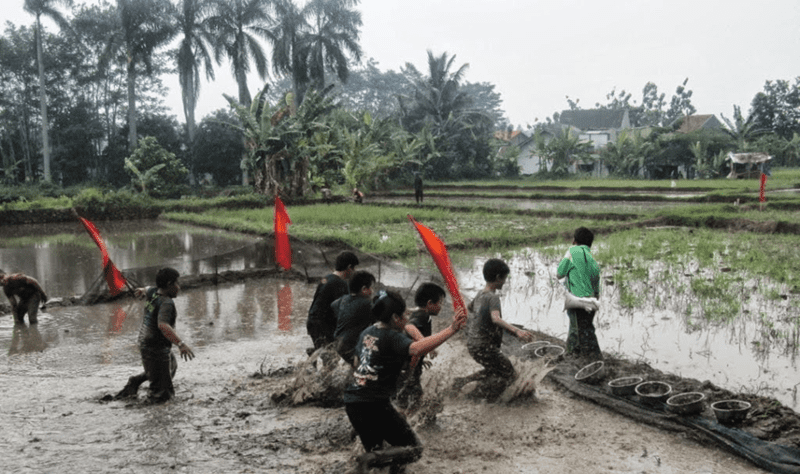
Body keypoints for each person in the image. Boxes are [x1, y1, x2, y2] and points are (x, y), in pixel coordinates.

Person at [344, 290, 466, 474]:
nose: (407, 319)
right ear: (395, 317)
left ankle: (370, 462)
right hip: (375, 404)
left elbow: (356, 363)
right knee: (414, 450)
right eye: (404, 316)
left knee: (381, 455)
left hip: (353, 402)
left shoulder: (367, 333)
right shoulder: (392, 336)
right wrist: (452, 329)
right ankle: (367, 459)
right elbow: (416, 348)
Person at [456, 258, 534, 402]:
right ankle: (479, 396)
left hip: (473, 345)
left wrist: (478, 326)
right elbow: (496, 319)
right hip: (485, 346)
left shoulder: (480, 294)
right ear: (498, 277)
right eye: (504, 278)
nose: (505, 282)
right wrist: (517, 331)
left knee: (493, 369)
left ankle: (461, 382)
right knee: (510, 374)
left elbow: (471, 309)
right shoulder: (493, 297)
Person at [114, 267, 195, 403]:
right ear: (169, 284)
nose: (179, 288)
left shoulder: (153, 292)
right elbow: (163, 325)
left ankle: (136, 380)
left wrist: (142, 290)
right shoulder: (166, 303)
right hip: (155, 346)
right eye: (177, 284)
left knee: (171, 366)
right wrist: (181, 344)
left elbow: (148, 288)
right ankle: (154, 413)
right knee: (162, 395)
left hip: (148, 342)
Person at [395, 282, 447, 409]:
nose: (441, 307)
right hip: (407, 368)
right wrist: (427, 345)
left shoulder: (419, 313)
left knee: (406, 397)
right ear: (429, 303)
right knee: (413, 400)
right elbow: (409, 327)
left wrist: (420, 360)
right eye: (439, 303)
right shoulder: (423, 316)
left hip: (407, 365)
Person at [557, 226, 602, 361]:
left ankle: (595, 359)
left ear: (574, 241)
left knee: (583, 332)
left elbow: (559, 274)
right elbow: (596, 284)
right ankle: (571, 353)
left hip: (578, 300)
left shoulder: (572, 251)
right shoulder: (593, 260)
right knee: (579, 327)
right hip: (592, 300)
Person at [306, 251, 360, 352]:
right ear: (349, 267)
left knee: (324, 351)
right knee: (330, 357)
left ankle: (313, 354)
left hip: (312, 322)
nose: (354, 272)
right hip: (322, 326)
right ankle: (314, 356)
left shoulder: (327, 278)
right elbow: (343, 312)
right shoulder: (340, 284)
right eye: (354, 268)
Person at [332, 270, 376, 366]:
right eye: (371, 287)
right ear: (364, 289)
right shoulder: (367, 304)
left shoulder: (344, 298)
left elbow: (333, 305)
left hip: (338, 342)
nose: (373, 290)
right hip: (350, 346)